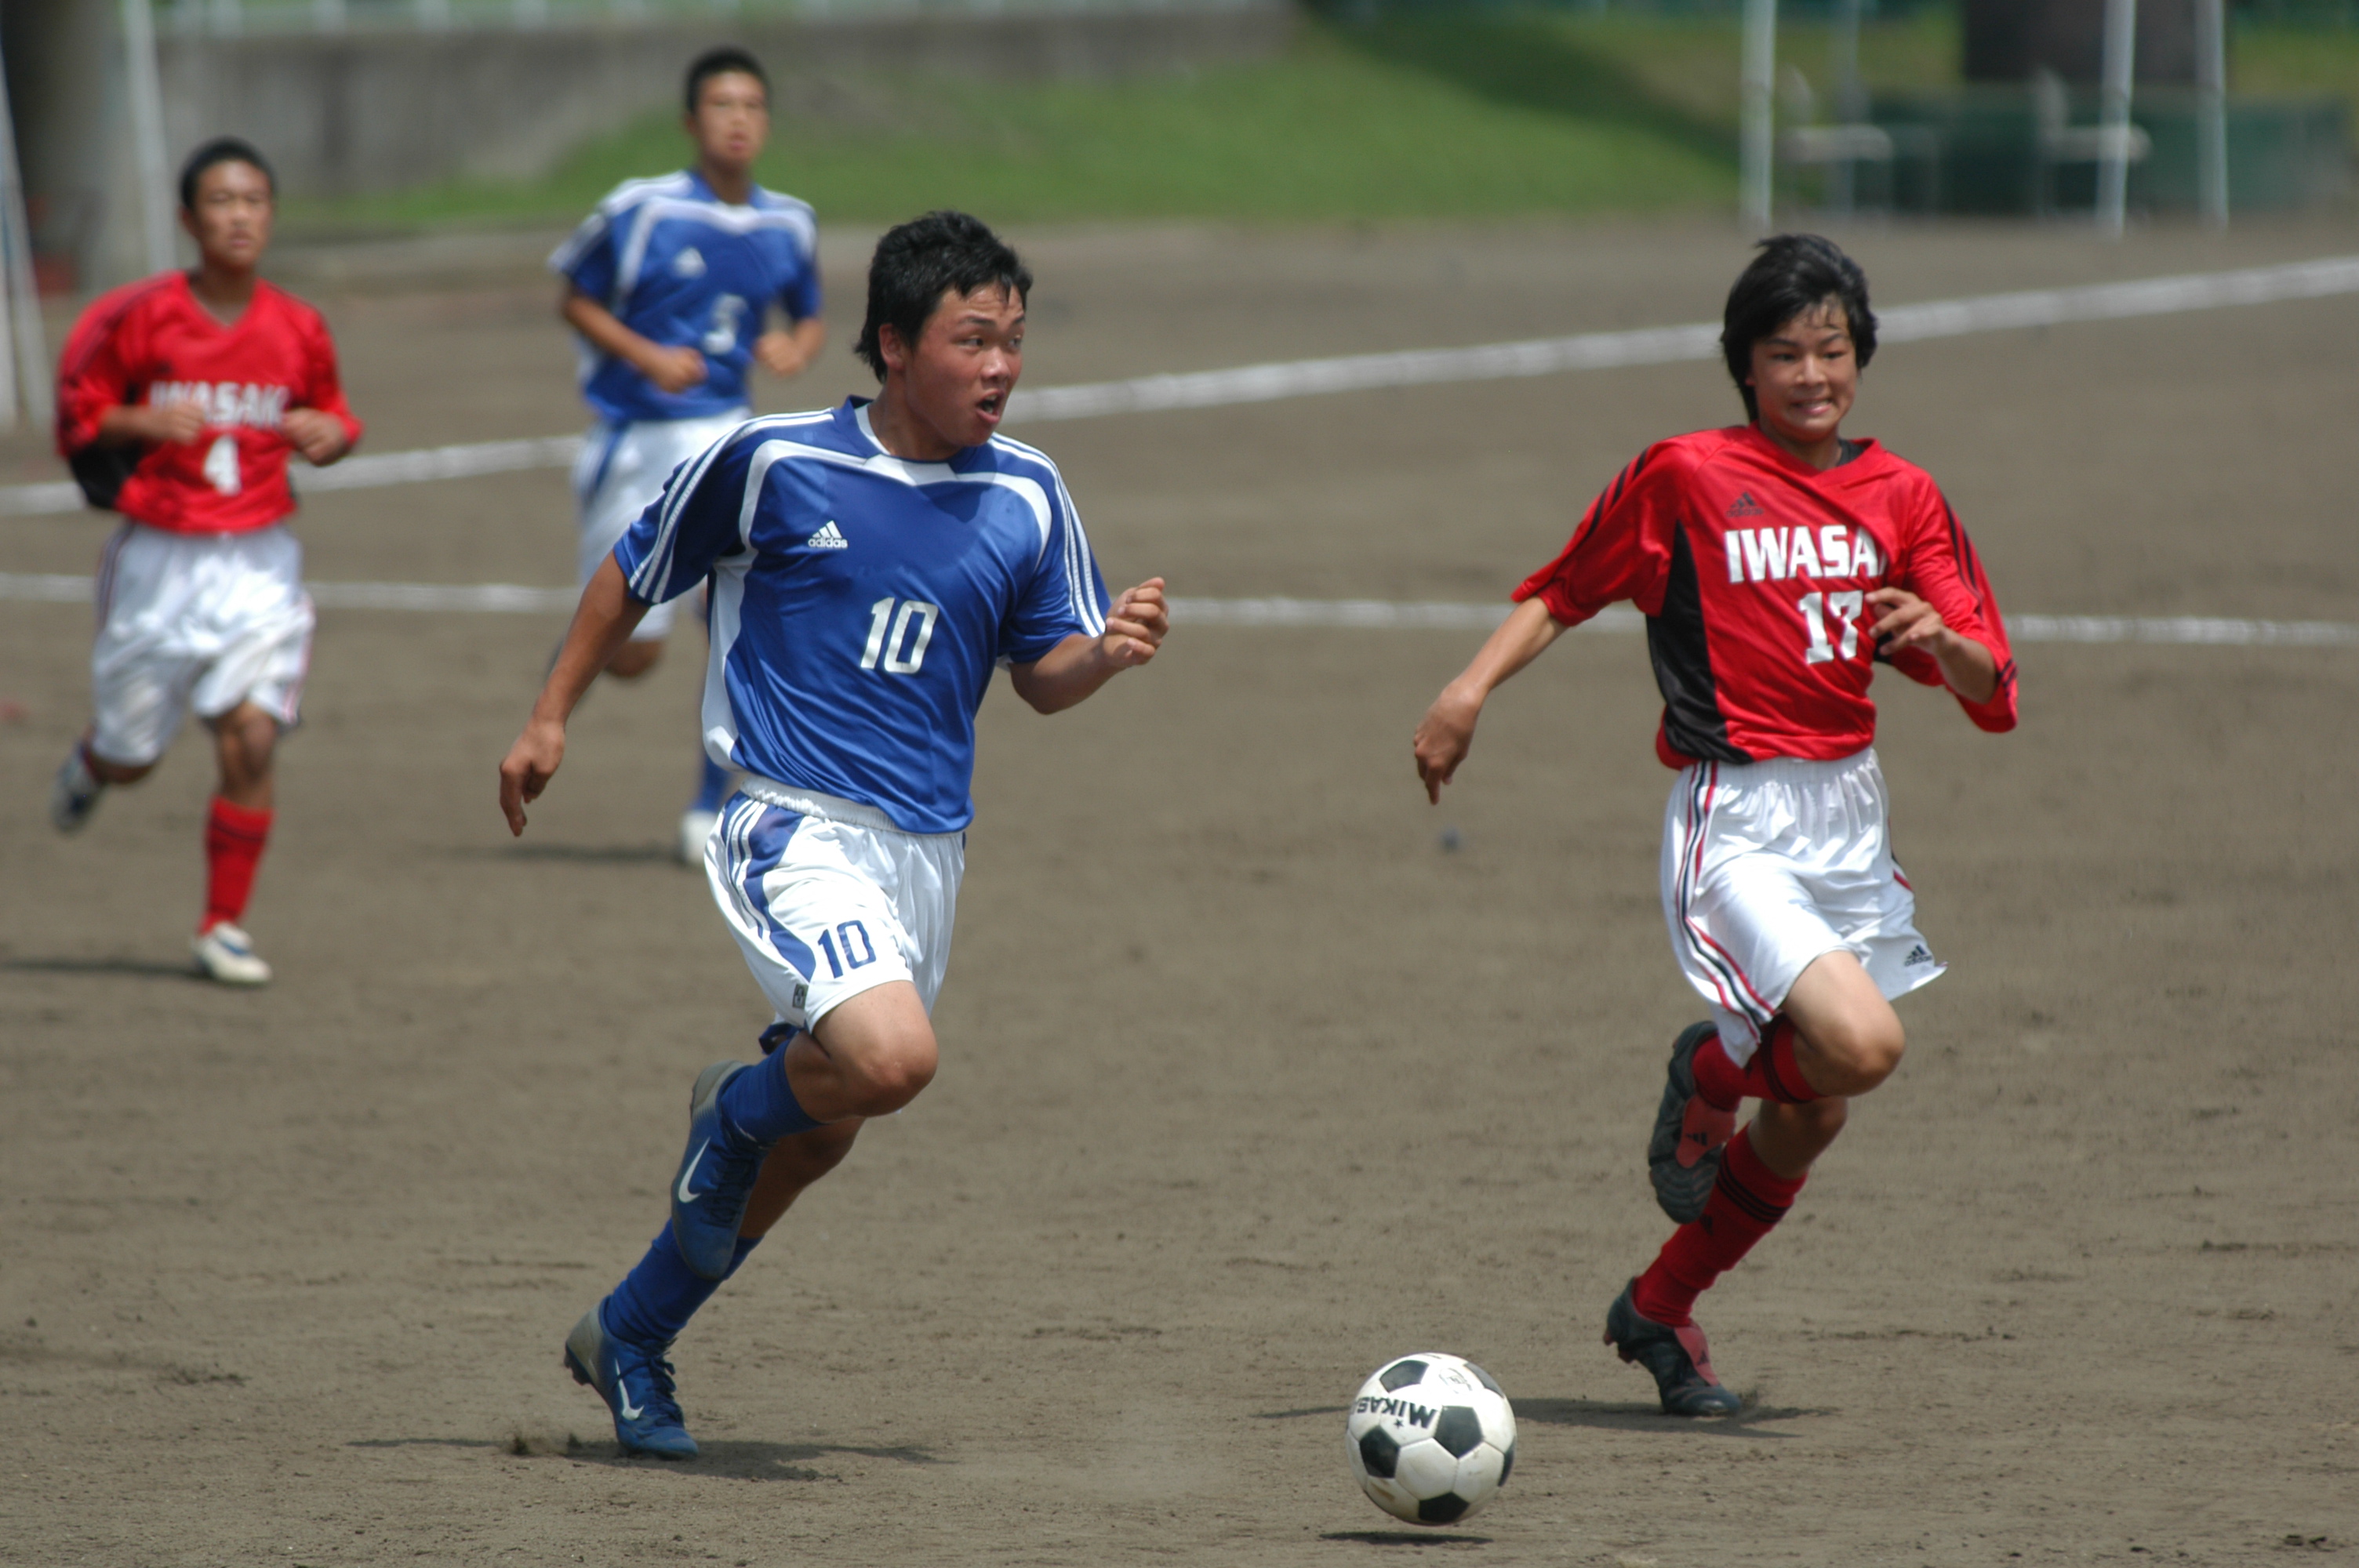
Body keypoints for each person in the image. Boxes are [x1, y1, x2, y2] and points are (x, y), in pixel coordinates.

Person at [498, 210, 1168, 1459]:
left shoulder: (1028, 491)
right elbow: (633, 571)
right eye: (975, 340)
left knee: (824, 1136)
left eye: (1015, 341)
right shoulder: (774, 462)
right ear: (894, 345)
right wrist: (550, 716)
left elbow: (1042, 674)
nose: (1002, 367)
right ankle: (731, 1108)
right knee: (891, 1061)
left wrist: (1108, 657)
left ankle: (630, 1336)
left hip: (927, 856)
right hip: (786, 823)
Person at [1412, 235, 2015, 1417]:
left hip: (1850, 816)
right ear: (1743, 366)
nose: (1811, 373)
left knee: (1820, 1107)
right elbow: (1565, 588)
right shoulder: (1686, 476)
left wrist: (1945, 649)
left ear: (1862, 358)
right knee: (1865, 1047)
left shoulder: (1905, 498)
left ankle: (1659, 1309)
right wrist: (1468, 689)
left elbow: (1995, 693)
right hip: (1734, 817)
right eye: (1783, 352)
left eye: (1832, 350)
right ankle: (1714, 1064)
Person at [49, 137, 362, 986]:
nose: (238, 216)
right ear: (189, 219)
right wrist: (138, 423)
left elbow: (333, 416)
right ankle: (95, 760)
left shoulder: (298, 325)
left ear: (270, 214)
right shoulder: (140, 316)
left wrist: (331, 436)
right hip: (157, 559)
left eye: (253, 200)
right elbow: (78, 410)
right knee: (134, 757)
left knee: (252, 738)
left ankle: (222, 923)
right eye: (220, 202)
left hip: (259, 561)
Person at [548, 45, 828, 866]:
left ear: (766, 122)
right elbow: (573, 295)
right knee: (632, 652)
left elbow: (807, 312)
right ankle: (564, 679)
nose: (737, 120)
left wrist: (796, 344)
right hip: (634, 441)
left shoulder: (790, 221)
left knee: (735, 612)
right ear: (689, 121)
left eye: (751, 106)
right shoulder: (640, 210)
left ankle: (714, 803)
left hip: (726, 436)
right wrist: (643, 354)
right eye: (721, 106)